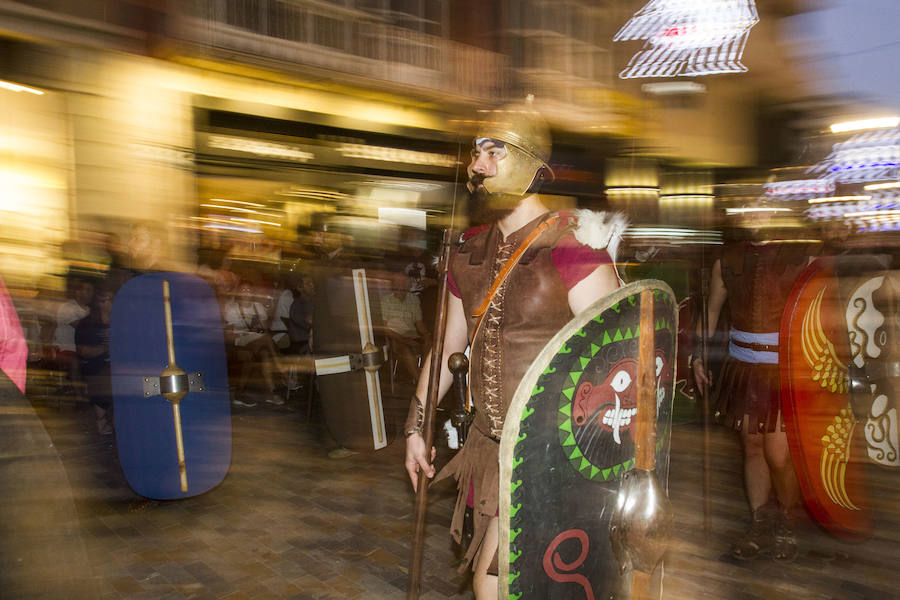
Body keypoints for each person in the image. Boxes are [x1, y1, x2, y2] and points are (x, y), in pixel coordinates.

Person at [403, 101, 624, 599]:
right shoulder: (470, 253)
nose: (478, 167)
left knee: (517, 580)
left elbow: (616, 365)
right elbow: (446, 348)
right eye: (477, 153)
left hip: (556, 452)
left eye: (494, 152)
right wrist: (416, 427)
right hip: (489, 446)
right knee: (503, 580)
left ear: (530, 162)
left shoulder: (573, 249)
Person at [693, 230, 820, 562]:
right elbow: (711, 312)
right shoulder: (729, 258)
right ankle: (760, 524)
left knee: (778, 454)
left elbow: (820, 315)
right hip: (743, 370)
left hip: (785, 371)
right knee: (752, 446)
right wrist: (698, 356)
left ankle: (786, 520)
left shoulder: (801, 253)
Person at [223, 282, 283, 407]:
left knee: (265, 352)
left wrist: (260, 325)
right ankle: (282, 370)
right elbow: (228, 333)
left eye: (249, 289)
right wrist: (242, 333)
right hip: (239, 342)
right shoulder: (232, 308)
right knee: (265, 341)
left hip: (256, 340)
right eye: (243, 289)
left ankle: (270, 393)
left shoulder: (258, 307)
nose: (246, 292)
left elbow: (265, 329)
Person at [75, 286, 114, 434]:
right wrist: (105, 349)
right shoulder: (87, 324)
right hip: (96, 363)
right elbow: (82, 351)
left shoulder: (122, 322)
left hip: (118, 364)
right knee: (103, 375)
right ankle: (102, 421)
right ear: (98, 303)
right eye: (104, 301)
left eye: (111, 300)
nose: (108, 304)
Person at [380, 268, 430, 381]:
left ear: (408, 285)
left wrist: (427, 336)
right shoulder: (385, 301)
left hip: (412, 336)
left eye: (403, 283)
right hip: (396, 338)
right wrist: (405, 340)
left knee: (431, 343)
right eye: (397, 283)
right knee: (405, 349)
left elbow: (419, 323)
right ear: (392, 285)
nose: (400, 286)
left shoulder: (414, 300)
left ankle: (425, 372)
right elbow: (385, 329)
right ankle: (420, 381)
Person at [53, 277, 93, 393]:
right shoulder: (67, 308)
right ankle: (79, 397)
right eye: (88, 290)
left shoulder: (91, 310)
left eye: (91, 290)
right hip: (65, 348)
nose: (91, 294)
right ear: (78, 292)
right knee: (75, 361)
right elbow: (82, 329)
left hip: (83, 349)